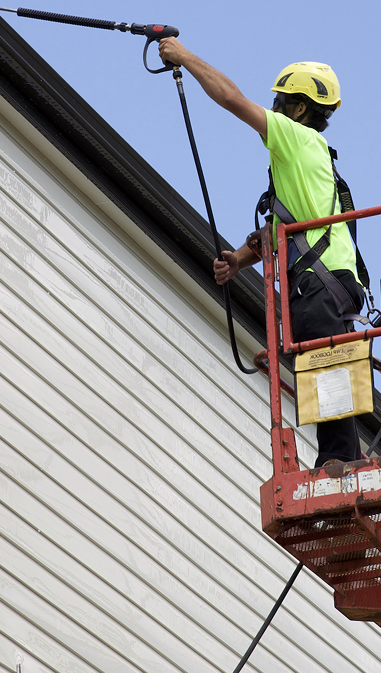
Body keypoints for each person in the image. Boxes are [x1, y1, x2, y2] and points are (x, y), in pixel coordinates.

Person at [155, 43, 368, 465]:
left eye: (279, 102)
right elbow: (280, 232)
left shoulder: (295, 138)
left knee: (324, 366)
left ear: (300, 109)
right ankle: (344, 455)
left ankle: (339, 460)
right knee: (329, 364)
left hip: (318, 283)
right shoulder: (309, 158)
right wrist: (238, 259)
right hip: (336, 282)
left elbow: (231, 99)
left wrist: (184, 56)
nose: (271, 109)